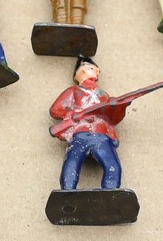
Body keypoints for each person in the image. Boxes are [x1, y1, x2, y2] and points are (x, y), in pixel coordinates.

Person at [48, 57, 126, 191]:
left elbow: (112, 119)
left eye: (96, 70)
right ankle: (67, 191)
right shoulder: (74, 91)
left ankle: (110, 192)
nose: (96, 72)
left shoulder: (104, 96)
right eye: (90, 68)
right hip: (81, 133)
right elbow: (55, 110)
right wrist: (75, 113)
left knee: (113, 166)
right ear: (79, 73)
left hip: (102, 135)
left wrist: (120, 107)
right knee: (72, 162)